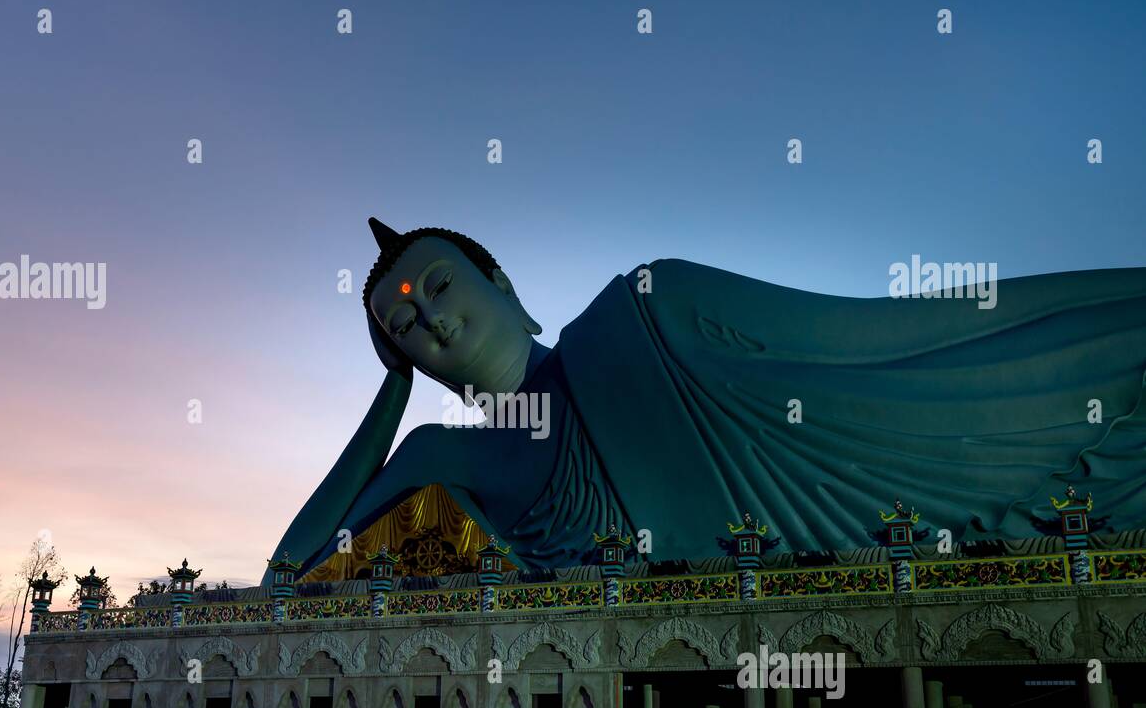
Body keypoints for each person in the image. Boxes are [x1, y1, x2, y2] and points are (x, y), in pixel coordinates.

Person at [264, 219, 1146, 581]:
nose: (433, 325)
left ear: (499, 279)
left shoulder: (648, 311)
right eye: (403, 327)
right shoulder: (440, 454)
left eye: (442, 285)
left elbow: (876, 342)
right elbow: (286, 574)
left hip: (858, 504)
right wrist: (389, 392)